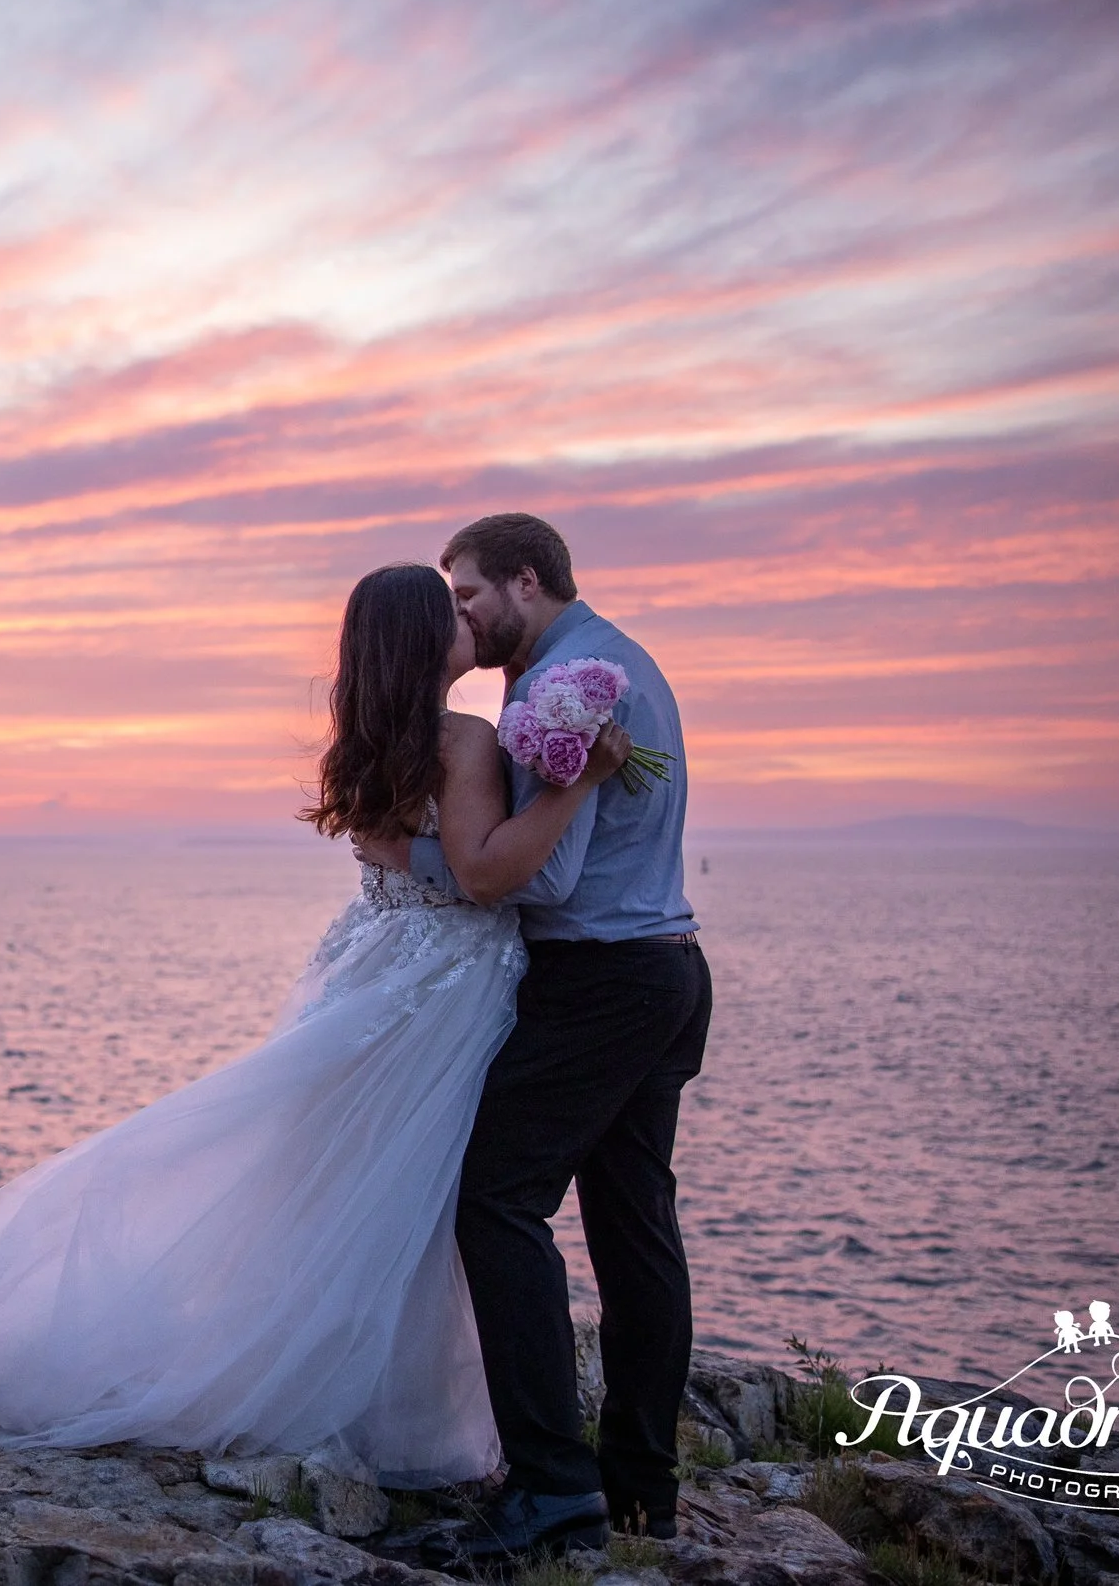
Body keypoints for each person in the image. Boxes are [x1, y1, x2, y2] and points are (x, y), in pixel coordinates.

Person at [0, 563, 627, 1496]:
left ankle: (358, 1393)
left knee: (353, 1190)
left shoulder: (364, 746)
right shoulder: (462, 739)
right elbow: (483, 877)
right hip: (441, 986)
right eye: (449, 611)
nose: (467, 617)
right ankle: (391, 1409)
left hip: (376, 970)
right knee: (413, 1199)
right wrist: (575, 784)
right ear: (421, 640)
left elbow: (410, 856)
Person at [356, 513, 708, 1562]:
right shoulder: (611, 658)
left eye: (466, 597)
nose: (455, 618)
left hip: (599, 979)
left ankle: (556, 1494)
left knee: (494, 1201)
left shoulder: (569, 685)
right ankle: (640, 1491)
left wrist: (438, 858)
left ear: (524, 579)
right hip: (663, 967)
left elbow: (542, 877)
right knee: (633, 1224)